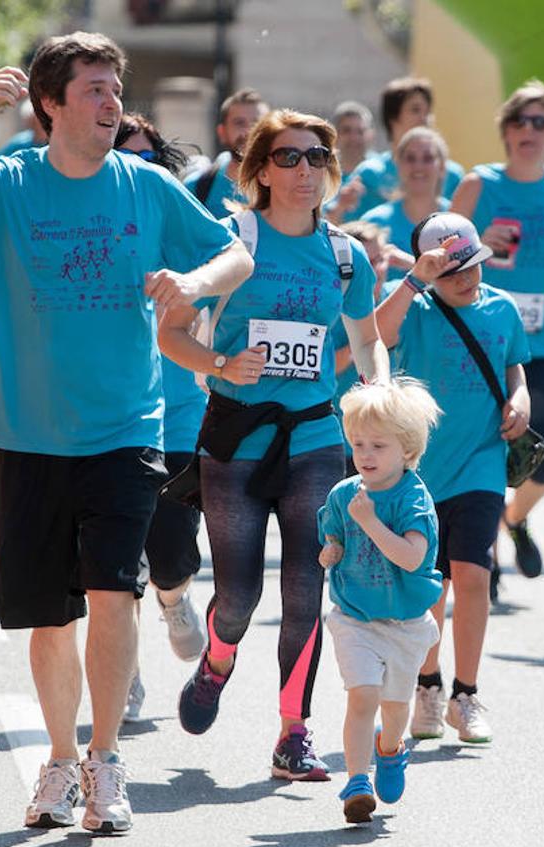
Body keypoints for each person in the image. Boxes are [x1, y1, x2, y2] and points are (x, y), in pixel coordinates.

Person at [0, 32, 254, 833]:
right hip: (25, 434)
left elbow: (234, 256)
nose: (111, 103)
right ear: (49, 103)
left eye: (114, 89)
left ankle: (108, 762)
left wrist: (190, 281)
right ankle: (59, 761)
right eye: (92, 89)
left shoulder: (145, 186)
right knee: (50, 616)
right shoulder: (1, 181)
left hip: (124, 429)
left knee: (113, 592)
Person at [159, 109, 390, 782]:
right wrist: (220, 367)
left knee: (306, 590)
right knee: (238, 597)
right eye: (287, 158)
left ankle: (294, 730)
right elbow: (171, 336)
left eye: (317, 157)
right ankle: (219, 659)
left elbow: (367, 337)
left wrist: (378, 389)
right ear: (258, 170)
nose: (304, 170)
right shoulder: (234, 241)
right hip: (235, 438)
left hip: (315, 438)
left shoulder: (345, 255)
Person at [375, 212, 531, 743]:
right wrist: (415, 277)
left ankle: (466, 694)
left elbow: (514, 364)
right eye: (452, 271)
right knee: (429, 586)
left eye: (473, 266)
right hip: (420, 470)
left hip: (481, 463)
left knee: (472, 573)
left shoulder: (503, 308)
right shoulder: (415, 308)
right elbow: (378, 331)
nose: (467, 277)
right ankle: (428, 685)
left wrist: (520, 399)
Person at [451, 79, 544, 584]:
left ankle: (512, 517)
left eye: (540, 122)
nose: (528, 130)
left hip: (543, 344)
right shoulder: (479, 184)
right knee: (481, 447)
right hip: (482, 338)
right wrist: (476, 245)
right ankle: (481, 550)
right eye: (519, 121)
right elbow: (439, 250)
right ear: (506, 131)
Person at [111, 112, 209, 723]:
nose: (138, 172)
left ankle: (174, 597)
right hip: (110, 420)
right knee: (113, 564)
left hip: (179, 416)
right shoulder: (91, 232)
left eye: (149, 161)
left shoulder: (186, 229)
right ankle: (124, 672)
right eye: (126, 161)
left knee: (169, 553)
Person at [318, 378, 442, 823]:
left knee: (394, 707)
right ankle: (355, 780)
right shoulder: (343, 494)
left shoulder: (414, 498)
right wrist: (329, 549)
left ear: (407, 451)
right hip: (355, 618)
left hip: (406, 623)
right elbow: (332, 534)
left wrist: (369, 523)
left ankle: (390, 750)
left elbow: (411, 558)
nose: (365, 455)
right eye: (358, 444)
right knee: (362, 695)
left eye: (378, 446)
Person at [338, 76, 464, 222]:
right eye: (415, 110)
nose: (425, 118)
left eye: (428, 111)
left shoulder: (453, 175)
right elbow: (345, 230)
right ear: (393, 117)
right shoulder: (370, 174)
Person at [331, 219, 391, 475]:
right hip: (340, 442)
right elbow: (330, 367)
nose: (374, 270)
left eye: (379, 260)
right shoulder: (331, 305)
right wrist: (365, 337)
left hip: (388, 441)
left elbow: (440, 282)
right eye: (366, 261)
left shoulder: (397, 295)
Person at [362, 126, 452, 282]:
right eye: (410, 158)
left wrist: (412, 265)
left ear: (442, 167)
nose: (418, 166)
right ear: (398, 165)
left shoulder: (457, 220)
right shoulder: (374, 222)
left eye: (428, 158)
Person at [183, 88, 269, 217]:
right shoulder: (197, 187)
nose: (248, 131)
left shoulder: (288, 185)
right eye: (239, 123)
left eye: (257, 123)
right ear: (222, 132)